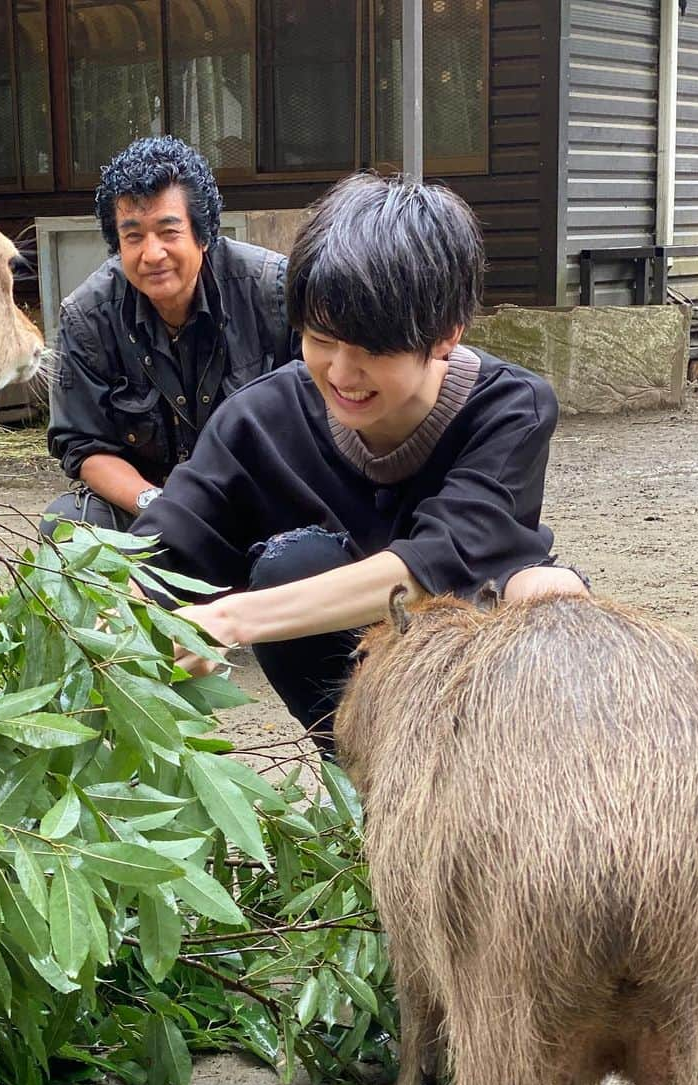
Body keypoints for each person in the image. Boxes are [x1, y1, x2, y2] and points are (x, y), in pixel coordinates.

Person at [129, 173, 588, 753]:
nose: (342, 374)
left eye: (374, 349)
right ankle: (366, 785)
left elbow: (438, 565)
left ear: (447, 333)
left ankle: (513, 801)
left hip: (469, 643)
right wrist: (107, 610)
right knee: (291, 563)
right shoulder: (259, 419)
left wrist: (229, 619)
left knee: (551, 593)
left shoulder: (509, 407)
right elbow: (160, 546)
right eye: (321, 339)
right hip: (349, 681)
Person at [43, 136, 295, 534]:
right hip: (152, 510)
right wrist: (159, 505)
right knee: (68, 524)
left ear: (204, 233)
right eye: (134, 236)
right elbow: (84, 446)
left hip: (263, 506)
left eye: (168, 231)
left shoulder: (274, 291)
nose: (152, 253)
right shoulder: (87, 317)